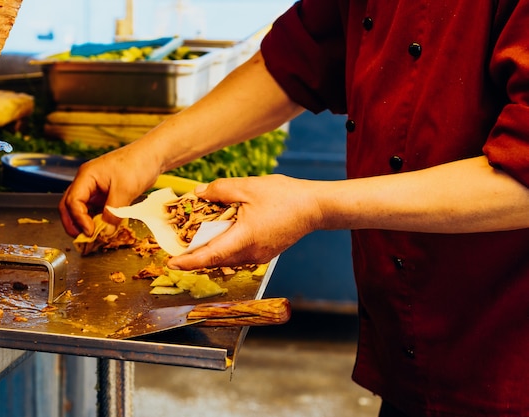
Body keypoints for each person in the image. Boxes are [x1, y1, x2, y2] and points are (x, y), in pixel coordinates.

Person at [59, 1, 529, 416]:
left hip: (506, 355)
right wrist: (149, 154)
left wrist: (314, 204)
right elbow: (295, 62)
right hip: (412, 349)